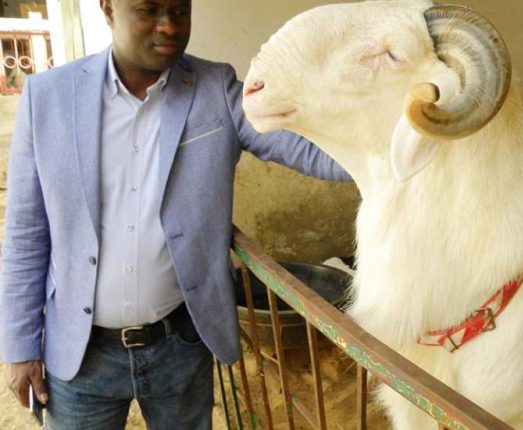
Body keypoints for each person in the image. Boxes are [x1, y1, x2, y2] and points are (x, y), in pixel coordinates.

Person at [0, 0, 349, 428]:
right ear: (108, 8)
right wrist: (19, 347)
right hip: (80, 354)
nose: (168, 26)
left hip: (179, 345)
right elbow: (25, 234)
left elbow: (306, 150)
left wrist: (396, 153)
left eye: (180, 11)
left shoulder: (215, 88)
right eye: (148, 10)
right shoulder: (48, 97)